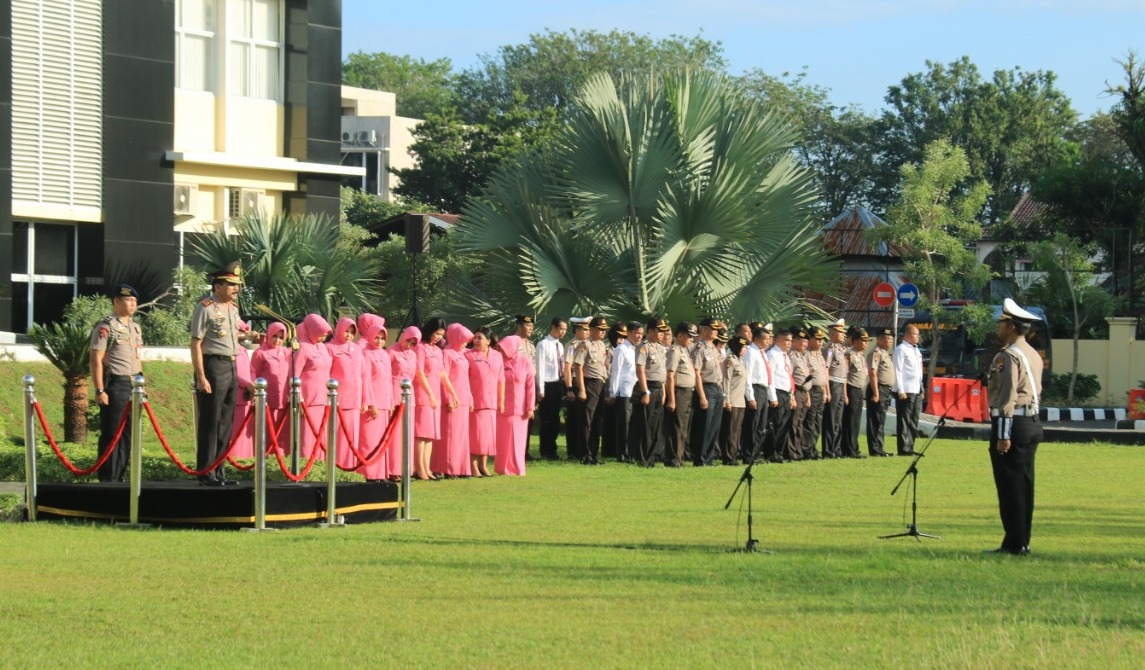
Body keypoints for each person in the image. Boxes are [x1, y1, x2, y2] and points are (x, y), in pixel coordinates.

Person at [986, 298, 1044, 556]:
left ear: (1011, 327)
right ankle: (1021, 541)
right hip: (1031, 422)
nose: (998, 328)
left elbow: (1007, 396)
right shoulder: (1032, 354)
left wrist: (1002, 434)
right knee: (1024, 485)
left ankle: (1015, 544)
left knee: (1010, 486)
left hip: (1013, 424)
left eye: (1002, 323)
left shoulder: (1008, 356)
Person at [190, 262, 255, 486]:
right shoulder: (205, 307)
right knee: (211, 420)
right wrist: (201, 377)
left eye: (237, 284)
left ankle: (219, 471)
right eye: (230, 284)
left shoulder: (232, 308)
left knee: (226, 421)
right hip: (213, 365)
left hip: (232, 364)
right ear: (217, 286)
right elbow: (196, 343)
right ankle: (206, 472)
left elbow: (232, 336)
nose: (236, 288)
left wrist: (250, 337)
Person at [89, 284, 144, 483]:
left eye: (135, 301)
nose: (133, 304)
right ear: (116, 302)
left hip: (133, 385)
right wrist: (99, 390)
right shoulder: (106, 326)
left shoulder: (135, 327)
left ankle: (119, 476)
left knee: (129, 433)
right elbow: (96, 359)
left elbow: (137, 358)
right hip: (115, 384)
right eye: (128, 300)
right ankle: (108, 478)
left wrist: (141, 385)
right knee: (112, 432)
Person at [414, 318, 458, 481]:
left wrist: (453, 392)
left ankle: (427, 468)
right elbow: (419, 373)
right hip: (423, 394)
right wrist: (430, 393)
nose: (439, 337)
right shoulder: (420, 348)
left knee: (430, 434)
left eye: (441, 335)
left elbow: (442, 373)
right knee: (421, 434)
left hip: (435, 396)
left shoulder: (438, 351)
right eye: (437, 333)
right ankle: (419, 468)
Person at [327, 318, 371, 470]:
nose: (349, 335)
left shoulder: (357, 349)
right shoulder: (330, 348)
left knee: (351, 437)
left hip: (354, 400)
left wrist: (365, 400)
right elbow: (326, 373)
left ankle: (350, 467)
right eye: (346, 331)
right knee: (336, 436)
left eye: (352, 332)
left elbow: (364, 375)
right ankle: (335, 468)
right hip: (337, 400)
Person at [356, 314, 394, 481]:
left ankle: (380, 472)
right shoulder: (366, 354)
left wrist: (391, 402)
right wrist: (371, 403)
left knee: (381, 440)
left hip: (385, 402)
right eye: (376, 337)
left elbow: (389, 380)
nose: (379, 341)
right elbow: (366, 381)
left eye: (382, 338)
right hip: (373, 402)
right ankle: (368, 472)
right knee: (369, 439)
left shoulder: (384, 355)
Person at [435, 322, 473, 477]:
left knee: (461, 435)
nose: (465, 343)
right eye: (463, 340)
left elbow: (465, 378)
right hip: (453, 399)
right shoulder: (447, 354)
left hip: (463, 398)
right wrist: (448, 398)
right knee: (451, 434)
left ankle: (461, 467)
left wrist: (470, 398)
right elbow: (444, 377)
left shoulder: (461, 355)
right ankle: (449, 467)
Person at [293, 313, 334, 460]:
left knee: (322, 436)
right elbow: (295, 375)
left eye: (325, 335)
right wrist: (298, 398)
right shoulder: (303, 348)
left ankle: (320, 464)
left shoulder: (323, 347)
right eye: (320, 334)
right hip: (308, 400)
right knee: (308, 436)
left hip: (324, 398)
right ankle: (307, 465)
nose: (322, 338)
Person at [495, 335, 535, 475]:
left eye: (504, 348)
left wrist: (530, 407)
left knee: (518, 441)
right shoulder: (499, 361)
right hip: (502, 408)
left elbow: (530, 386)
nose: (502, 351)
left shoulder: (525, 362)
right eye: (500, 348)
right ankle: (502, 468)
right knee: (503, 441)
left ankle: (517, 468)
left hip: (520, 408)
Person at [632, 317, 669, 467]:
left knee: (655, 425)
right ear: (651, 330)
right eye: (660, 331)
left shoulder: (660, 348)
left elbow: (662, 372)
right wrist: (645, 391)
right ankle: (642, 457)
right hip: (648, 387)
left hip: (659, 387)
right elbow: (640, 370)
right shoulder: (644, 347)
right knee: (645, 425)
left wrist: (664, 391)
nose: (662, 334)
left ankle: (651, 456)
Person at [572, 317, 610, 464]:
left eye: (605, 330)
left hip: (600, 383)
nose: (603, 332)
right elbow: (578, 367)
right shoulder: (585, 345)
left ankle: (593, 453)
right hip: (589, 383)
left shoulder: (601, 345)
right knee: (586, 420)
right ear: (592, 330)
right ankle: (584, 454)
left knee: (597, 420)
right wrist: (582, 389)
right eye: (600, 330)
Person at [466, 326, 503, 477]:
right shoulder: (468, 355)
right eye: (475, 337)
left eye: (479, 338)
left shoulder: (497, 356)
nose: (476, 340)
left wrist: (501, 401)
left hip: (491, 402)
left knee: (488, 436)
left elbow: (501, 380)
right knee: (476, 435)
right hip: (476, 401)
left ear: (488, 341)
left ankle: (483, 465)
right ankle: (473, 465)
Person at [664, 322, 701, 468]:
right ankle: (672, 459)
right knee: (676, 427)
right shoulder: (675, 351)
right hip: (679, 392)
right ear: (680, 335)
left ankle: (679, 458)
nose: (691, 339)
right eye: (689, 336)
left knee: (684, 428)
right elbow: (670, 376)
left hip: (688, 392)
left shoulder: (685, 351)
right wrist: (672, 399)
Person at [251, 322, 291, 454]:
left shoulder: (287, 353)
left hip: (283, 398)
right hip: (267, 399)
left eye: (281, 337)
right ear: (268, 335)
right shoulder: (260, 353)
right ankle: (266, 456)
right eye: (274, 336)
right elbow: (253, 374)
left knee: (282, 430)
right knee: (267, 430)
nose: (277, 340)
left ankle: (281, 457)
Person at [689, 317, 725, 466]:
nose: (716, 331)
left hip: (717, 388)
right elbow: (696, 373)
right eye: (712, 329)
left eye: (717, 329)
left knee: (714, 426)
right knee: (704, 425)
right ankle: (700, 458)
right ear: (703, 330)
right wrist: (702, 396)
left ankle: (709, 457)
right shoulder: (699, 348)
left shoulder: (715, 349)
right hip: (706, 388)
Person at [389, 325, 421, 476]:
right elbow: (386, 375)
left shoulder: (413, 355)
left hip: (409, 395)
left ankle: (406, 468)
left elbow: (414, 375)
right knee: (396, 434)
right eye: (408, 341)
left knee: (407, 432)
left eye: (413, 343)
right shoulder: (392, 351)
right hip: (395, 393)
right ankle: (393, 469)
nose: (409, 345)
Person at [607, 321, 641, 463]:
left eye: (641, 333)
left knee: (633, 425)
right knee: (624, 425)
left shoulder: (637, 349)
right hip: (624, 392)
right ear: (629, 333)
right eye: (636, 333)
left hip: (635, 391)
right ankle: (622, 454)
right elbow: (616, 372)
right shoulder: (621, 349)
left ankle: (632, 452)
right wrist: (613, 393)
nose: (639, 336)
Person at [535, 317, 567, 461]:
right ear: (553, 327)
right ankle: (545, 450)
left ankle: (552, 450)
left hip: (557, 383)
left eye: (565, 330)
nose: (563, 332)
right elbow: (540, 367)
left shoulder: (560, 345)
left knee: (555, 419)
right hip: (547, 384)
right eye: (561, 329)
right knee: (547, 419)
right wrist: (540, 389)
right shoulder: (543, 344)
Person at [763, 328, 796, 463]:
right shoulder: (772, 354)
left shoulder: (785, 356)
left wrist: (791, 395)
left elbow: (788, 376)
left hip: (786, 392)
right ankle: (771, 453)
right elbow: (770, 377)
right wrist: (772, 397)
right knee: (775, 424)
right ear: (777, 340)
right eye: (786, 340)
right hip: (777, 392)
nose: (789, 343)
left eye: (791, 340)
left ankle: (779, 452)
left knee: (784, 424)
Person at [742, 323, 773, 463]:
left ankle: (755, 453)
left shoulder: (762, 353)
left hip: (763, 390)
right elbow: (747, 376)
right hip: (755, 389)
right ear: (756, 339)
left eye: (769, 339)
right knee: (752, 425)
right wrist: (750, 397)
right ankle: (748, 454)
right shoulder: (751, 352)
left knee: (761, 425)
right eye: (765, 339)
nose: (768, 341)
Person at [893, 323, 925, 456]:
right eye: (914, 334)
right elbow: (897, 370)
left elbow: (919, 371)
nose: (917, 336)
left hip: (916, 389)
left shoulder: (916, 350)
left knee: (914, 420)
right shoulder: (901, 349)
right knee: (904, 419)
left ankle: (910, 446)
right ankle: (903, 448)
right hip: (906, 390)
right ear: (907, 335)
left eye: (918, 334)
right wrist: (900, 390)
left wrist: (922, 389)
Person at [841, 326, 871, 459]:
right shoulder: (849, 354)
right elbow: (844, 375)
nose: (866, 343)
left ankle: (854, 448)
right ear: (856, 341)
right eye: (864, 341)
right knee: (850, 420)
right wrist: (845, 394)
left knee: (856, 421)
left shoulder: (860, 355)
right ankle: (848, 449)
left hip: (859, 390)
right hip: (851, 389)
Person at [866, 328, 896, 457]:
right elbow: (872, 373)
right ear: (879, 339)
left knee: (881, 420)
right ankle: (875, 449)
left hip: (885, 390)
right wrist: (876, 393)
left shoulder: (885, 353)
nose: (890, 342)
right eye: (887, 339)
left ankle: (880, 448)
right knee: (875, 420)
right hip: (878, 389)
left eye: (891, 339)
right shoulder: (876, 352)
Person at [563, 317, 590, 461]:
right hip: (575, 382)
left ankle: (583, 449)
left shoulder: (589, 344)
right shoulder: (571, 345)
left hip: (587, 382)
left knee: (584, 418)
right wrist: (569, 388)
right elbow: (567, 367)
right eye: (584, 329)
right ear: (577, 330)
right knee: (574, 418)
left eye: (588, 329)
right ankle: (573, 451)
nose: (587, 332)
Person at [719, 336, 750, 465]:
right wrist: (726, 399)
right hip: (731, 399)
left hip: (740, 401)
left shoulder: (740, 361)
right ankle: (728, 457)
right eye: (743, 347)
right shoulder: (730, 361)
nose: (745, 349)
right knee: (730, 430)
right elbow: (725, 381)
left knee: (737, 430)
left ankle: (734, 455)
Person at [821, 319, 849, 459]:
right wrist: (827, 391)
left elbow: (844, 374)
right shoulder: (829, 348)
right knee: (831, 419)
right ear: (832, 334)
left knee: (838, 419)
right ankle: (828, 450)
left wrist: (845, 393)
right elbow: (825, 370)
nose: (843, 335)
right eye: (840, 332)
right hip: (832, 384)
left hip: (840, 384)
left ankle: (836, 449)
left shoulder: (841, 349)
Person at [802, 326, 830, 459]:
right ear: (810, 339)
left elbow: (824, 374)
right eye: (818, 339)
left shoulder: (819, 354)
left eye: (821, 340)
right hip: (811, 390)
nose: (820, 342)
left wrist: (825, 392)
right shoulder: (806, 355)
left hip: (820, 390)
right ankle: (806, 450)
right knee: (809, 421)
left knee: (818, 422)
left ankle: (813, 448)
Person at [787, 327, 814, 461]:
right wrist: (792, 396)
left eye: (806, 342)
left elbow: (806, 379)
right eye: (803, 341)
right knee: (793, 422)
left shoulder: (801, 356)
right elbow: (790, 376)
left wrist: (807, 396)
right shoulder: (791, 356)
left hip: (804, 392)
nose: (806, 344)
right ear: (795, 341)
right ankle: (791, 452)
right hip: (796, 391)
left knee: (799, 423)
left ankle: (798, 451)